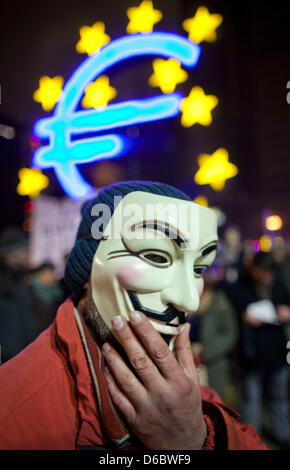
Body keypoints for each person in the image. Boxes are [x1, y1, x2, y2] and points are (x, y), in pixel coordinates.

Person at [0, 181, 267, 450]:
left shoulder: (182, 382)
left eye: (199, 270)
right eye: (156, 256)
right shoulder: (13, 414)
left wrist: (197, 436)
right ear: (87, 268)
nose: (189, 300)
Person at [226, 251, 290, 448]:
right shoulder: (239, 285)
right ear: (253, 269)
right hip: (251, 352)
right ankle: (252, 439)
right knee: (250, 398)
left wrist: (286, 311)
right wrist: (243, 317)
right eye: (262, 272)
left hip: (276, 350)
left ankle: (283, 435)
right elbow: (232, 313)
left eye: (268, 273)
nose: (265, 277)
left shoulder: (278, 284)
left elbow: (286, 303)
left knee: (279, 395)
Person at [189, 270, 238, 400]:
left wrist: (205, 351)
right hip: (186, 360)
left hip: (211, 364)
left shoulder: (218, 302)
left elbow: (229, 333)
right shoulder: (184, 300)